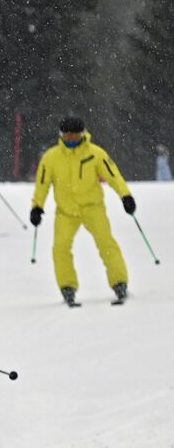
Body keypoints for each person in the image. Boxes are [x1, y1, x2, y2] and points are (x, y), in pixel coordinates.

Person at [29, 118, 134, 307]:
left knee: (106, 243)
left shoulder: (95, 153)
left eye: (75, 134)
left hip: (93, 208)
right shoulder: (51, 157)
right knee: (60, 248)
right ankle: (67, 286)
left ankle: (119, 283)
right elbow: (42, 184)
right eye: (67, 134)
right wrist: (37, 207)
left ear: (83, 133)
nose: (71, 137)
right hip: (66, 212)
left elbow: (113, 175)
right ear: (61, 135)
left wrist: (125, 195)